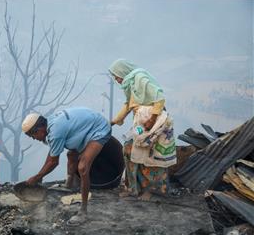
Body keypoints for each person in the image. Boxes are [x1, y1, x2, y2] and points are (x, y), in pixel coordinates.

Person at [22, 107, 111, 224]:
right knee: (71, 154)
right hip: (86, 127)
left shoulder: (55, 132)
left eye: (32, 135)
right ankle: (68, 185)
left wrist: (37, 177)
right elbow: (52, 154)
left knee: (82, 167)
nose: (34, 139)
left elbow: (53, 162)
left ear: (39, 130)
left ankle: (83, 211)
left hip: (99, 128)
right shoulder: (50, 124)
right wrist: (40, 176)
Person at [109, 59, 177, 201]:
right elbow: (129, 105)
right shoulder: (130, 84)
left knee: (151, 156)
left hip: (153, 122)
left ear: (123, 72)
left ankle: (154, 191)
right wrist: (114, 121)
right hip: (140, 124)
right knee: (129, 150)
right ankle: (133, 188)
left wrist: (151, 120)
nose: (116, 79)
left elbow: (159, 97)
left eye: (116, 75)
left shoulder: (140, 78)